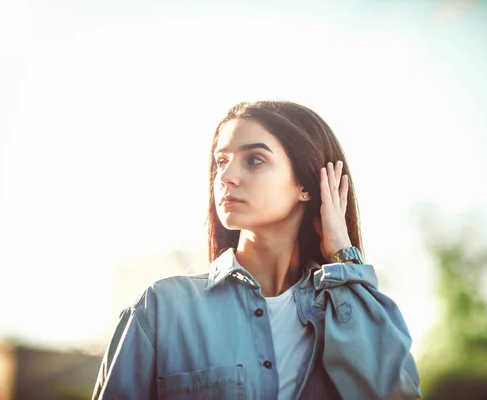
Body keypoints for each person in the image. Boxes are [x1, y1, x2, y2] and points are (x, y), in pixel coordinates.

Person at [92, 100, 422, 399]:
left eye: (254, 159)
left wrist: (343, 257)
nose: (226, 176)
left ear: (305, 185)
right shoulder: (161, 310)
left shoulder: (344, 310)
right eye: (221, 161)